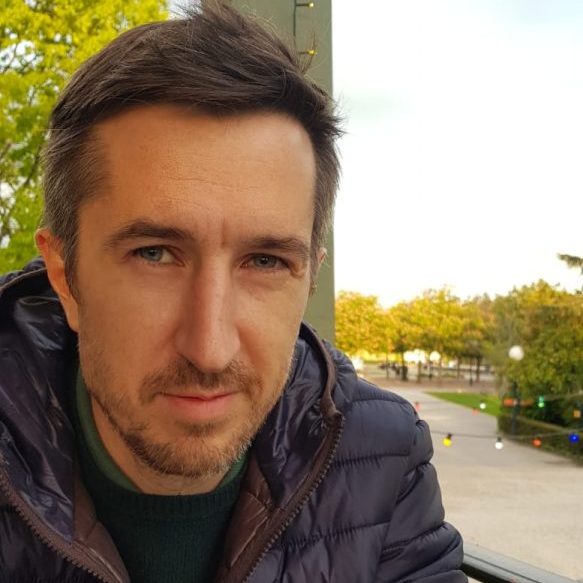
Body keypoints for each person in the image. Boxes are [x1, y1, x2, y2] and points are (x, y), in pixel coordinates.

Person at [0, 3, 467, 582]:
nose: (210, 350)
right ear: (65, 276)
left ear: (308, 280)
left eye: (265, 262)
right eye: (154, 253)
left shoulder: (384, 459)